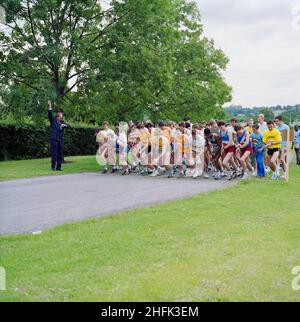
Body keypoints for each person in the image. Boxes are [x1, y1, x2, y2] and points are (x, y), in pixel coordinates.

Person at [48, 99, 68, 172]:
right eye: (61, 116)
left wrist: (64, 125)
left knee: (60, 154)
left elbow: (68, 125)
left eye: (62, 117)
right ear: (57, 116)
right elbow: (49, 114)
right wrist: (50, 106)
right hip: (54, 139)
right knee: (54, 154)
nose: (61, 117)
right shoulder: (53, 120)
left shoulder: (62, 122)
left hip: (60, 140)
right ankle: (53, 167)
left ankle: (58, 168)